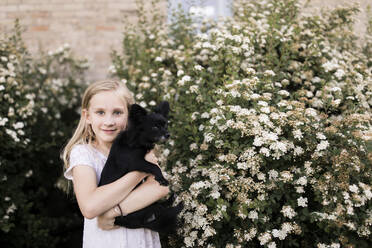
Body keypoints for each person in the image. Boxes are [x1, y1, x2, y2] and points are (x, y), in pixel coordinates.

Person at [61, 80, 169, 248]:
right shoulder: (84, 154)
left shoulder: (141, 147)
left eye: (117, 113)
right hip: (105, 241)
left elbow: (160, 187)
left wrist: (113, 213)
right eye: (100, 112)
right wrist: (139, 171)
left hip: (141, 241)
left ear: (129, 116)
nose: (109, 121)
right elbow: (90, 206)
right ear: (87, 116)